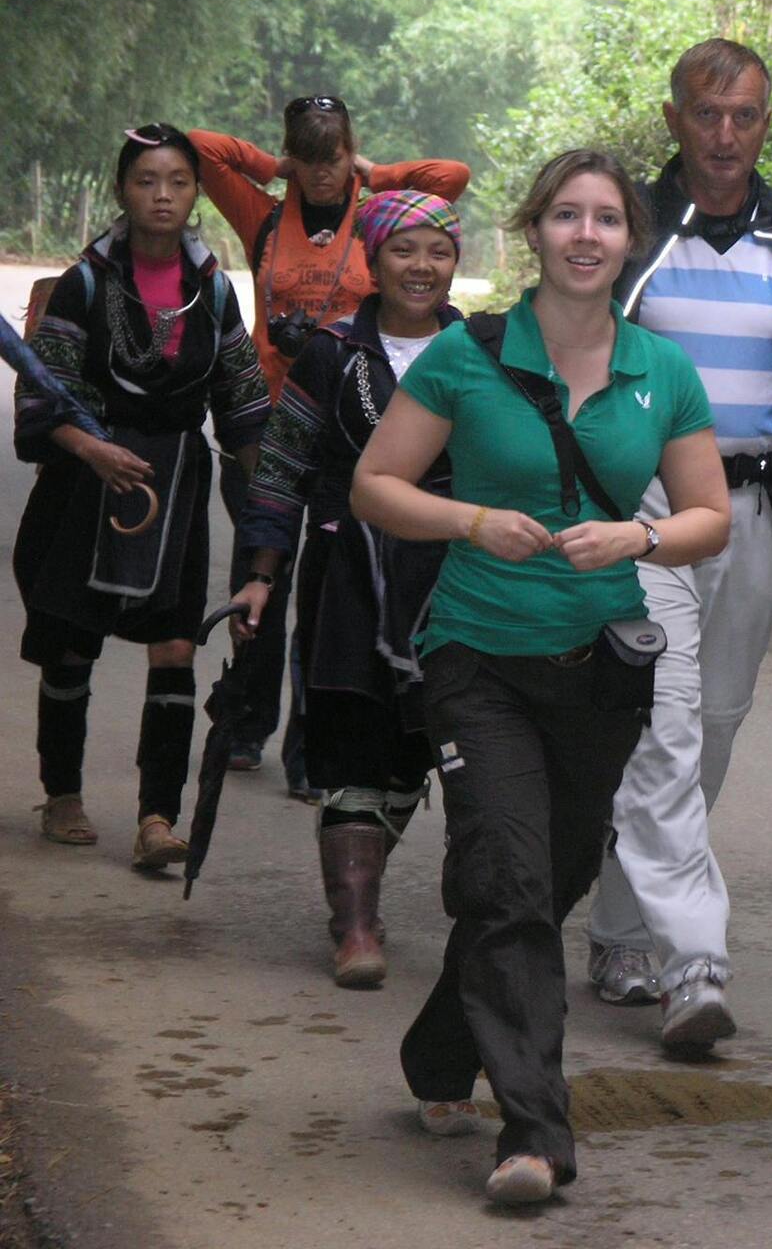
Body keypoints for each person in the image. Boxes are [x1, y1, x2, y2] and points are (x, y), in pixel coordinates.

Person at [351, 149, 729, 1206]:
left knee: (549, 881)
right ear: (535, 232)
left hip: (601, 668)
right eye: (566, 215)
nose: (585, 234)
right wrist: (470, 518)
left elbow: (707, 516)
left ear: (629, 241)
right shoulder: (467, 359)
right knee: (511, 880)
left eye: (606, 219)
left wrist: (638, 542)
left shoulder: (664, 368)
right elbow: (376, 484)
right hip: (478, 659)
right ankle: (532, 1134)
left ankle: (440, 1050)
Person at [585, 39, 772, 1046]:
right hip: (643, 512)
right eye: (706, 115)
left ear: (766, 124)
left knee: (712, 722)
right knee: (659, 723)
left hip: (750, 513)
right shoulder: (629, 229)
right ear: (673, 119)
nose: (724, 137)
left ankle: (632, 914)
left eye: (745, 116)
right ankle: (665, 947)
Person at [190, 101, 470, 795]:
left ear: (350, 152)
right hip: (274, 414)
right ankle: (250, 722)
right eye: (307, 159)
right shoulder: (264, 217)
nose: (321, 173)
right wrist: (269, 167)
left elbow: (450, 177)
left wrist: (377, 173)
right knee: (267, 573)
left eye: (333, 156)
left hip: (362, 421)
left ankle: (312, 748)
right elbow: (199, 147)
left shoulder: (378, 220)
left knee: (332, 590)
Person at [229, 190, 465, 989]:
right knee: (353, 738)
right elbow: (284, 465)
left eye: (438, 250)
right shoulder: (332, 352)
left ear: (456, 261)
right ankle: (355, 926)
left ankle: (436, 900)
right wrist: (262, 575)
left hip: (453, 582)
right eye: (404, 250)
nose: (421, 267)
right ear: (373, 258)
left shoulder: (482, 352)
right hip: (346, 581)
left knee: (428, 747)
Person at [14, 125, 268, 864]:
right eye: (147, 181)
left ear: (196, 195)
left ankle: (158, 818)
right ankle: (62, 793)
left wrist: (269, 512)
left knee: (177, 647)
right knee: (71, 647)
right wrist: (93, 449)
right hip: (85, 484)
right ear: (123, 191)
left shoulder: (214, 290)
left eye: (179, 182)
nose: (164, 196)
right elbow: (42, 396)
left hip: (175, 483)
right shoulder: (83, 283)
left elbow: (245, 407)